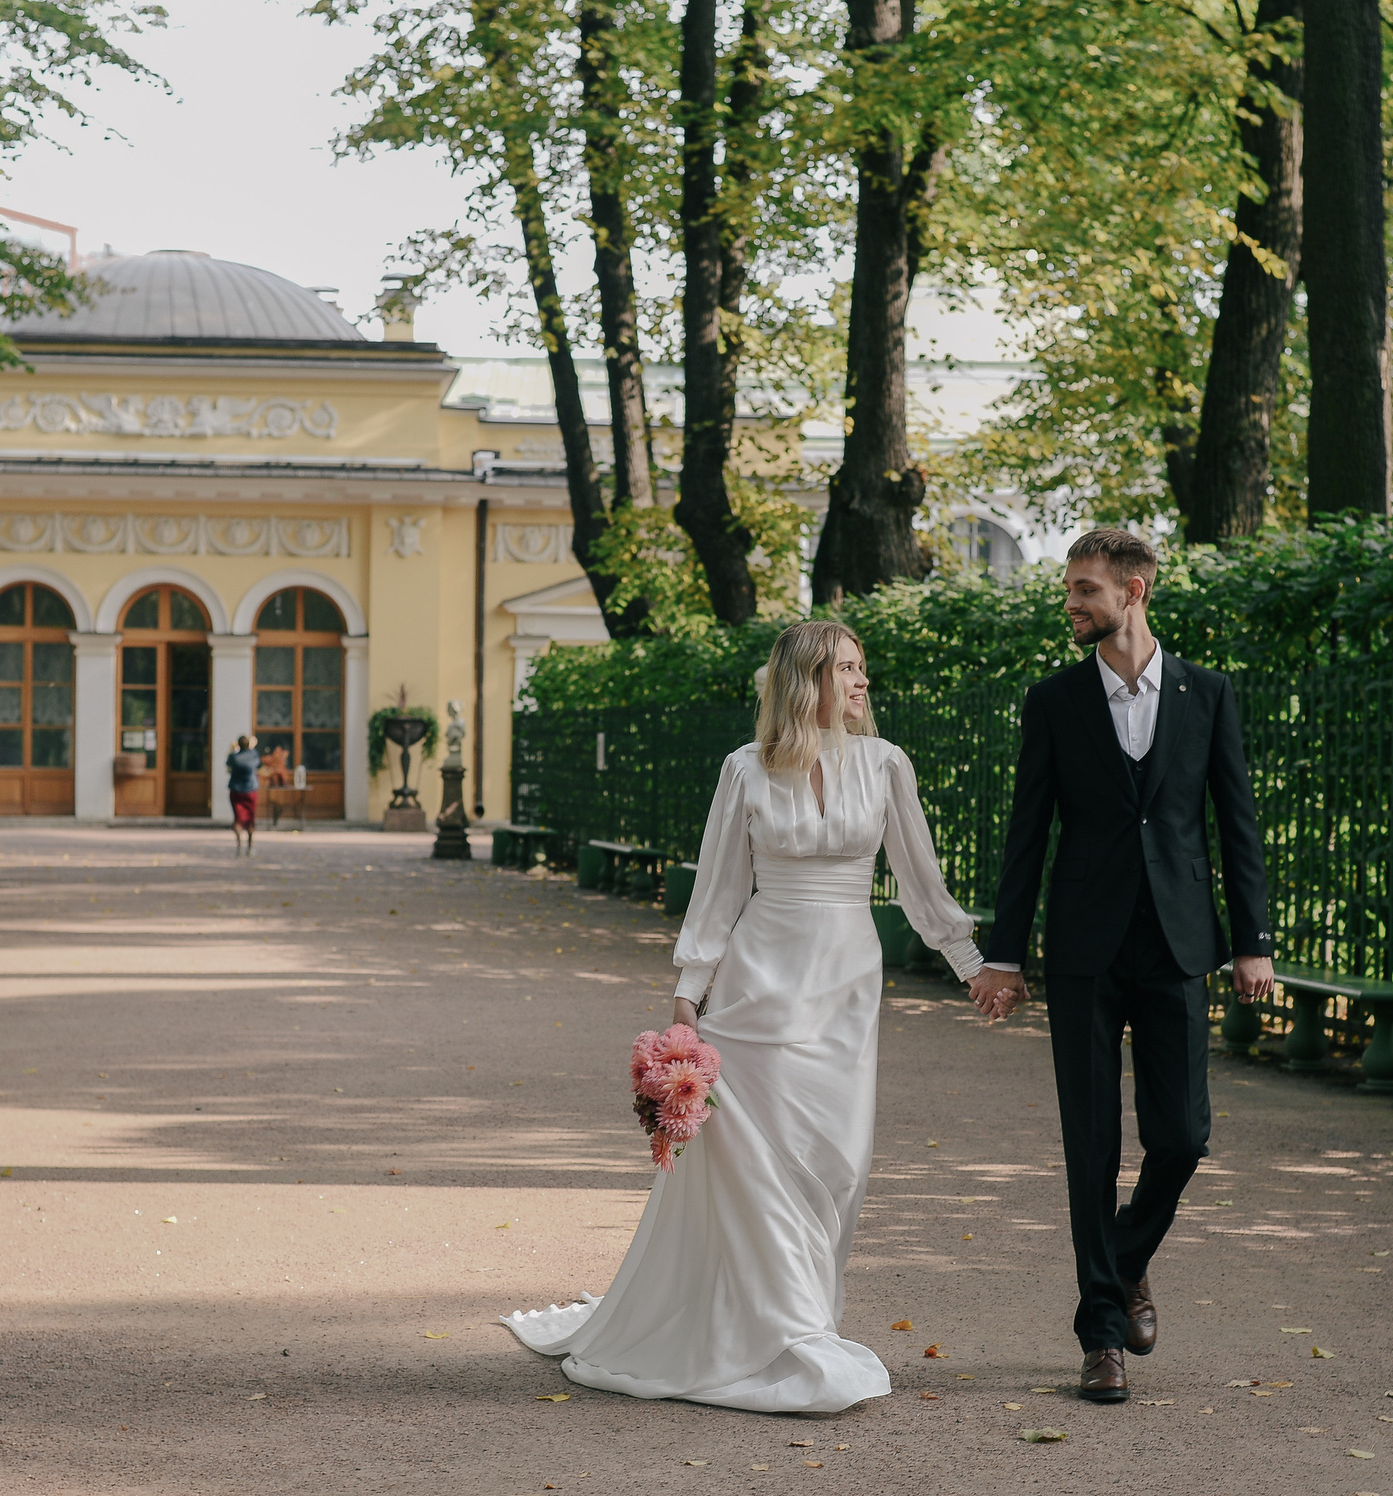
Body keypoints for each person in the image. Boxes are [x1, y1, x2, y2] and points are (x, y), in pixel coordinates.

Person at [504, 621, 983, 1414]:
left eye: (865, 669)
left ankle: (802, 1315)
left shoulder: (887, 762)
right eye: (847, 669)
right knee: (760, 1157)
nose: (863, 682)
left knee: (836, 1159)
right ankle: (787, 1330)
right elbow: (720, 888)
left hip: (846, 986)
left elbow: (919, 880)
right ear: (807, 681)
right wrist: (689, 997)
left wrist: (969, 966)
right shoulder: (746, 769)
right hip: (758, 986)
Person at [966, 528, 1274, 1405]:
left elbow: (1236, 824)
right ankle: (1100, 1333)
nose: (1071, 602)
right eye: (1069, 587)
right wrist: (1005, 953)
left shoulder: (1208, 694)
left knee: (1183, 1135)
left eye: (1085, 589)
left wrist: (1253, 939)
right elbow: (1028, 833)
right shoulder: (1055, 699)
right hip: (1084, 952)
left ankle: (1126, 1257)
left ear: (1133, 592)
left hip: (1178, 943)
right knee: (1092, 1143)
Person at [226, 733, 261, 855]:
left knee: (238, 819)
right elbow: (257, 761)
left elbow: (228, 764)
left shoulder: (234, 757)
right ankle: (250, 847)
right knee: (251, 818)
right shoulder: (253, 755)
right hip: (251, 791)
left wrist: (233, 748)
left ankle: (239, 846)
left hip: (236, 791)